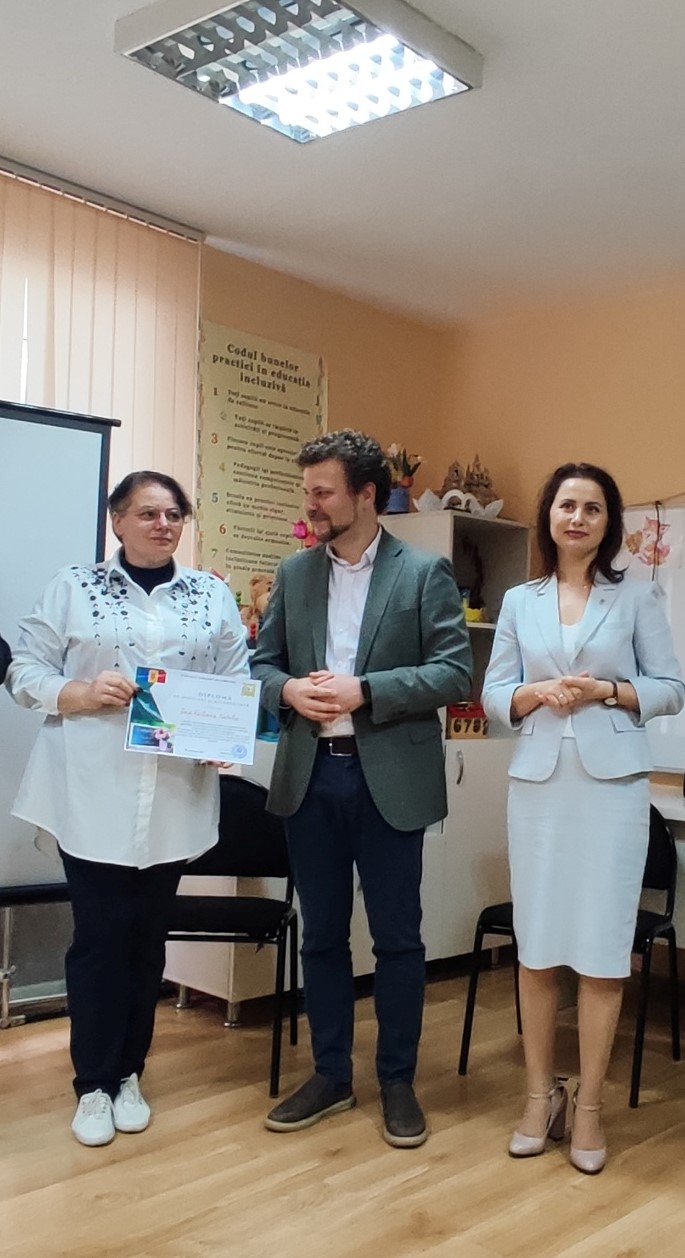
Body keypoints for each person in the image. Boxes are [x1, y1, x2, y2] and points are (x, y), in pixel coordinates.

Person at [7, 471, 249, 1147]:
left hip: (173, 796)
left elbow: (235, 677)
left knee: (147, 941)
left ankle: (129, 1074)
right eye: (147, 513)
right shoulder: (73, 586)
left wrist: (224, 739)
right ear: (117, 521)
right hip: (88, 792)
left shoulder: (209, 594)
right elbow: (23, 669)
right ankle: (92, 1083)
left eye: (174, 514)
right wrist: (79, 692)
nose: (163, 525)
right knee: (98, 940)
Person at [251, 429, 472, 1147]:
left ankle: (397, 1081)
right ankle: (331, 1076)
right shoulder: (293, 573)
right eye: (307, 492)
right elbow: (262, 666)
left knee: (397, 939)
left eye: (322, 492)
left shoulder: (424, 573)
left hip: (389, 780)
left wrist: (364, 690)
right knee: (320, 936)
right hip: (310, 776)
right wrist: (288, 690)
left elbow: (453, 673)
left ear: (366, 494)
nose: (310, 504)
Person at [482, 462, 684, 1174]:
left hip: (611, 789)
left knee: (602, 949)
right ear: (549, 516)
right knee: (536, 947)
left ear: (608, 523)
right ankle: (539, 1097)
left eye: (592, 508)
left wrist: (608, 690)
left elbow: (671, 688)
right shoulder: (520, 600)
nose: (577, 518)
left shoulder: (636, 595)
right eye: (566, 505)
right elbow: (493, 695)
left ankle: (590, 1104)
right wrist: (534, 693)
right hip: (538, 786)